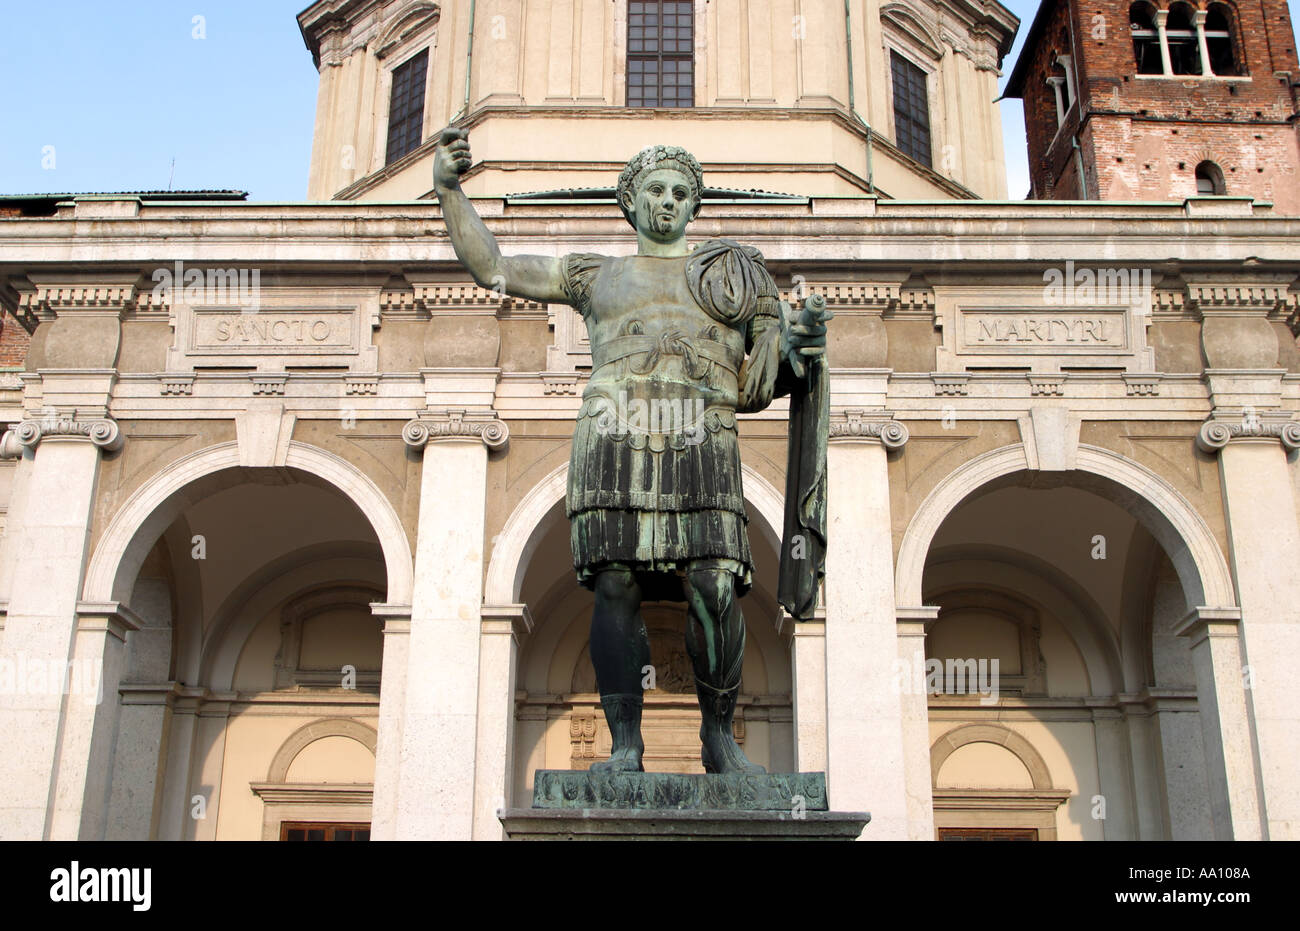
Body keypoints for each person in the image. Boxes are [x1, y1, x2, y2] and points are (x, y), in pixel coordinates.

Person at [433, 128, 828, 774]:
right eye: (655, 191)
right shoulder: (596, 275)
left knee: (715, 584)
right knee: (614, 585)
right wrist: (449, 192)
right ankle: (624, 745)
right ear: (630, 201)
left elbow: (760, 380)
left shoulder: (730, 278)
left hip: (703, 438)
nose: (668, 202)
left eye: (680, 192)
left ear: (694, 205)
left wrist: (801, 347)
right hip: (614, 438)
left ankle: (719, 737)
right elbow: (496, 268)